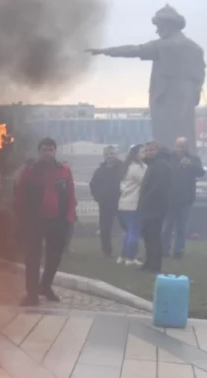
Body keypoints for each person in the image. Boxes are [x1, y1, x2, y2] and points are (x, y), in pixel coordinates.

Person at [87, 5, 204, 151]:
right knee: (185, 136)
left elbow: (135, 50)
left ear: (168, 25)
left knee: (165, 138)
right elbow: (200, 75)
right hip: (187, 100)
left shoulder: (164, 46)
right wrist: (195, 93)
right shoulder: (195, 48)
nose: (157, 31)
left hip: (165, 98)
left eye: (159, 26)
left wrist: (106, 51)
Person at [14, 137, 77, 306]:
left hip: (58, 221)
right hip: (35, 221)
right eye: (44, 150)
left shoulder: (64, 170)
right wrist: (21, 219)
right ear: (39, 152)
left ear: (55, 151)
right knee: (32, 257)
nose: (47, 153)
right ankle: (31, 294)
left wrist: (69, 218)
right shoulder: (30, 171)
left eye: (50, 149)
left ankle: (46, 286)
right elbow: (20, 195)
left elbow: (71, 195)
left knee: (54, 257)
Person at [164, 136, 205, 258]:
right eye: (178, 146)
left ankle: (178, 251)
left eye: (183, 146)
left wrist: (191, 165)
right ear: (174, 146)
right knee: (167, 226)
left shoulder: (193, 159)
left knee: (182, 228)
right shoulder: (168, 158)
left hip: (186, 199)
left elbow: (201, 173)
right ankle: (164, 250)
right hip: (170, 199)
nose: (180, 149)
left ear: (187, 147)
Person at [138, 140, 173, 273]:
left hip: (155, 208)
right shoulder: (153, 165)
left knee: (153, 237)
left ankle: (154, 265)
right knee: (148, 236)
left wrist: (146, 200)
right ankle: (148, 263)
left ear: (158, 151)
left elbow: (159, 188)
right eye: (146, 150)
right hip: (149, 208)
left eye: (151, 150)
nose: (148, 153)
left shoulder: (161, 165)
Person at [89, 146, 124, 257]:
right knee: (105, 228)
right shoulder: (100, 170)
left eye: (111, 153)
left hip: (122, 202)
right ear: (104, 156)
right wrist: (97, 197)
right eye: (107, 154)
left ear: (116, 154)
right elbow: (93, 184)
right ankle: (106, 251)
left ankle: (127, 251)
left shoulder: (123, 168)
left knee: (126, 227)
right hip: (105, 203)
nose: (109, 156)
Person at [117, 144, 147, 265]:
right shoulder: (137, 168)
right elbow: (146, 180)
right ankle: (131, 257)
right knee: (134, 232)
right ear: (136, 154)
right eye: (143, 151)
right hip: (133, 203)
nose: (145, 153)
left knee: (129, 232)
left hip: (123, 203)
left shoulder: (126, 166)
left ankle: (123, 256)